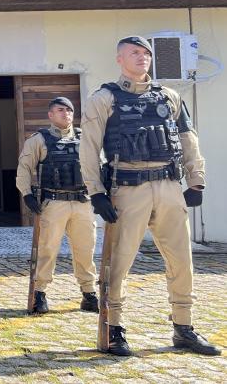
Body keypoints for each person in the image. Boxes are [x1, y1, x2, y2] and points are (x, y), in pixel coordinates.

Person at [80, 35, 221, 357]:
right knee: (119, 264)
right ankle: (114, 330)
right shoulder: (104, 98)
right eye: (134, 52)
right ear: (119, 59)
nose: (142, 57)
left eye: (146, 53)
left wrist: (196, 181)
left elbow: (188, 139)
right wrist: (96, 192)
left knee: (182, 262)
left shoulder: (169, 96)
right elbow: (88, 148)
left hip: (170, 187)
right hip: (128, 190)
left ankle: (183, 328)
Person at [16, 96, 98, 314]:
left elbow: (98, 167)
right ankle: (40, 293)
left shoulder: (85, 138)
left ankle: (89, 293)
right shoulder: (39, 140)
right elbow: (24, 168)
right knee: (47, 249)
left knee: (85, 249)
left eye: (69, 110)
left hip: (83, 203)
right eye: (61, 110)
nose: (66, 114)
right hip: (54, 203)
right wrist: (26, 194)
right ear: (51, 115)